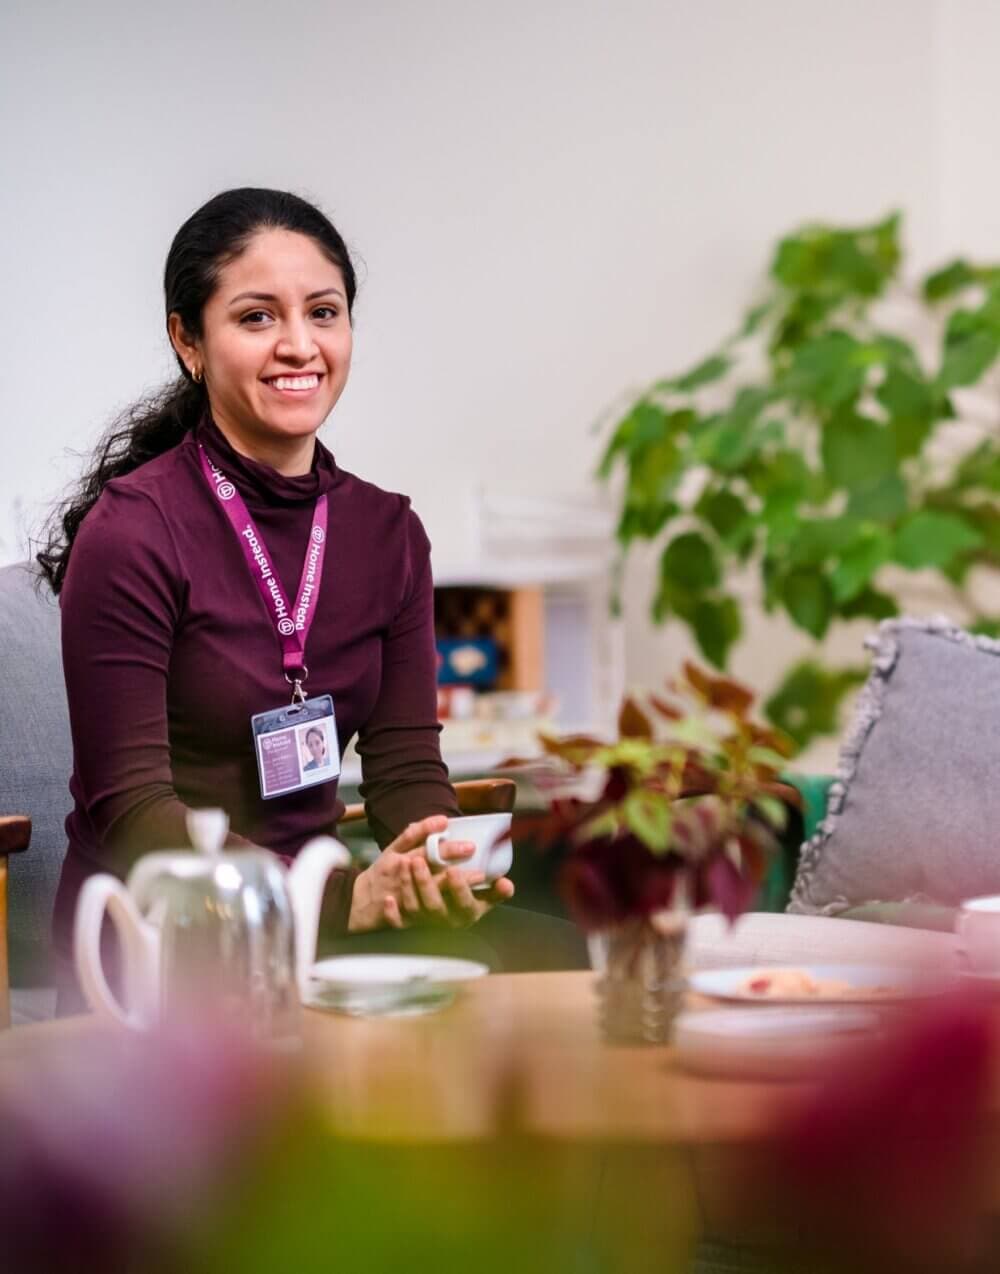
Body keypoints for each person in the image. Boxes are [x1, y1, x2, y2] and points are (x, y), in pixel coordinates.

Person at [39, 188, 584, 1007]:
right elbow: (132, 809)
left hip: (334, 921)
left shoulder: (387, 531)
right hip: (172, 934)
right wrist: (343, 897)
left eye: (323, 313)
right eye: (257, 318)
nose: (300, 346)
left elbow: (404, 767)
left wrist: (434, 866)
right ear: (188, 339)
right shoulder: (134, 532)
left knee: (557, 955)